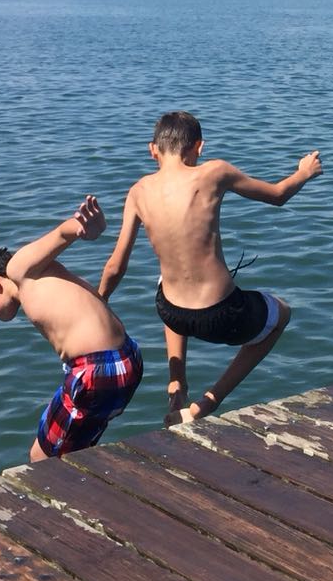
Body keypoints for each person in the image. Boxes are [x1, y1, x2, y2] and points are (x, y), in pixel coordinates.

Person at [100, 110, 321, 427]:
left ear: (153, 150)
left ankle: (177, 382)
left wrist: (100, 300)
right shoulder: (215, 172)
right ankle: (209, 401)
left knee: (166, 281)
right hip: (222, 315)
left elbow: (115, 265)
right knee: (281, 314)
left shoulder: (137, 192)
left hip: (171, 312)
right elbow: (278, 196)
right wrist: (304, 172)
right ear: (199, 147)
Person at [0, 196, 143, 461]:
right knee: (76, 453)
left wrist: (84, 228)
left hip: (96, 371)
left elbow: (62, 233)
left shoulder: (18, 268)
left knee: (41, 458)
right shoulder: (45, 275)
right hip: (127, 359)